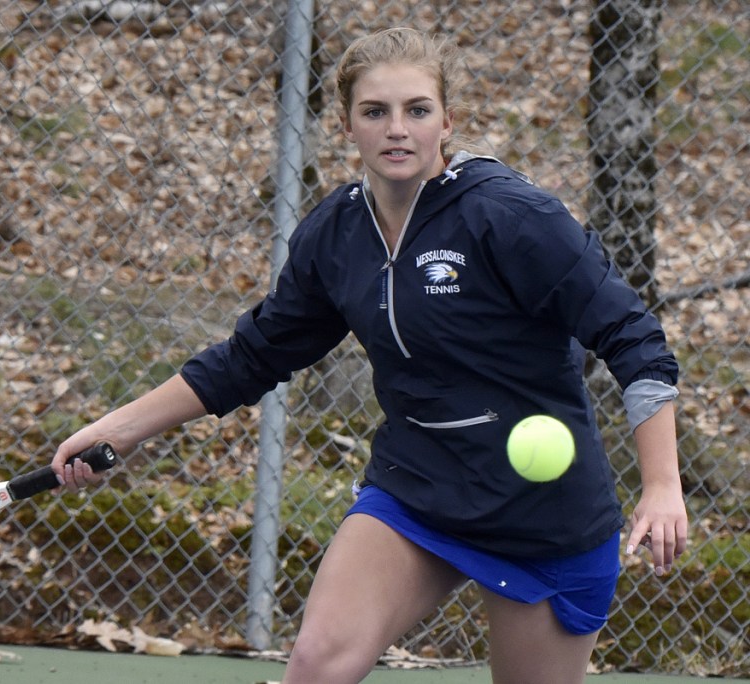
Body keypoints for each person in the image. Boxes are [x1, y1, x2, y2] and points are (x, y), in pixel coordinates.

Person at [50, 27, 688, 684]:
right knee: (317, 664)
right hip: (417, 490)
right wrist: (117, 431)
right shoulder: (336, 233)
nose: (398, 130)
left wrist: (662, 484)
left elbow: (635, 339)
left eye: (417, 110)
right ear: (347, 124)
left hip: (542, 513)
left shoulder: (513, 219)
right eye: (375, 112)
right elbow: (253, 355)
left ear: (448, 119)